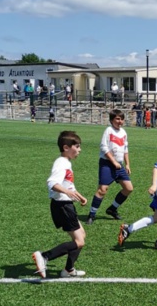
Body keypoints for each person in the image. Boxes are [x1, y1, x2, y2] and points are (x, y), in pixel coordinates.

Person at [32, 130, 88, 279]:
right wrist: (68, 193)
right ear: (66, 147)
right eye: (77, 146)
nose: (79, 150)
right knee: (79, 241)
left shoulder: (66, 163)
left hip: (66, 204)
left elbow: (67, 184)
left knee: (81, 235)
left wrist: (78, 195)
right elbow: (52, 183)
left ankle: (68, 270)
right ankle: (44, 256)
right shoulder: (61, 163)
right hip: (62, 205)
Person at [85, 109, 133, 224]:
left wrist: (127, 164)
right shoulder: (109, 130)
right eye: (117, 119)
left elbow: (125, 149)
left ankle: (112, 209)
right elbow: (104, 147)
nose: (120, 121)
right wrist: (114, 162)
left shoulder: (123, 132)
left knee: (128, 188)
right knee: (102, 190)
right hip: (107, 163)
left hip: (119, 165)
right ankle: (91, 214)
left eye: (121, 119)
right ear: (111, 120)